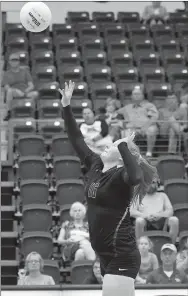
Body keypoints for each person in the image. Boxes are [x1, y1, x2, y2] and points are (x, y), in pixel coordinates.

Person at [58, 81, 158, 296]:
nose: (107, 145)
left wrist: (122, 144)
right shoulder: (96, 165)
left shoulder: (122, 175)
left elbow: (136, 176)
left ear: (122, 157)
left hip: (122, 253)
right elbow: (76, 139)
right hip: (105, 254)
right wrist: (66, 106)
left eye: (112, 145)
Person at [130, 178, 179, 244]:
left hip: (161, 222)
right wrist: (145, 216)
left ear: (157, 184)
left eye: (153, 182)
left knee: (174, 220)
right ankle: (139, 247)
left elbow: (170, 211)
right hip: (145, 223)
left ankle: (171, 246)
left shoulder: (162, 195)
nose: (150, 185)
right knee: (139, 220)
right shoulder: (138, 196)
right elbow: (132, 211)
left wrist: (159, 215)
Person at [117, 88, 159, 157]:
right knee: (125, 132)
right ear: (132, 96)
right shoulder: (127, 107)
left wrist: (145, 127)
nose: (136, 96)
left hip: (147, 127)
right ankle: (129, 154)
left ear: (142, 96)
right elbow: (116, 114)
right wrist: (122, 123)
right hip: (132, 128)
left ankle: (149, 153)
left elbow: (154, 118)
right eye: (134, 94)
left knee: (152, 130)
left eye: (138, 94)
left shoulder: (149, 106)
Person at [2, 52, 38, 120]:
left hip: (25, 91)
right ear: (9, 62)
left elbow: (31, 85)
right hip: (15, 92)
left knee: (36, 94)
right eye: (12, 60)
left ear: (19, 62)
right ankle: (9, 112)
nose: (14, 62)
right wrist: (15, 91)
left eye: (16, 60)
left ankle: (34, 112)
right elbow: (6, 87)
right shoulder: (7, 74)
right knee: (9, 91)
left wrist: (25, 91)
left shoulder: (25, 71)